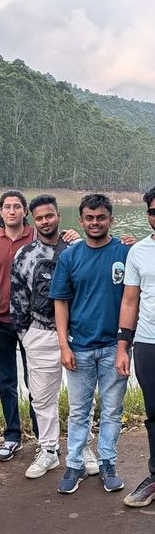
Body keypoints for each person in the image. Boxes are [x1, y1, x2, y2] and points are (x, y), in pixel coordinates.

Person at [0, 190, 78, 461]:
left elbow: (60, 245)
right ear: (1, 211)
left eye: (17, 207)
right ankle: (12, 434)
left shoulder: (36, 237)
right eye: (7, 207)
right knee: (6, 381)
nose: (12, 211)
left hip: (36, 325)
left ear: (25, 212)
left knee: (35, 383)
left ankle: (42, 438)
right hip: (2, 320)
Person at [11, 194, 99, 479]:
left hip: (78, 335)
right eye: (39, 218)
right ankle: (48, 449)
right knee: (41, 397)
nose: (45, 221)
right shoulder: (24, 255)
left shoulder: (78, 247)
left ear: (59, 215)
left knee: (82, 397)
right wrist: (26, 335)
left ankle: (83, 447)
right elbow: (18, 298)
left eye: (50, 215)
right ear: (32, 221)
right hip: (39, 334)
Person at [49, 194, 130, 494]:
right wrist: (63, 346)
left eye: (101, 218)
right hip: (79, 347)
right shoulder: (70, 257)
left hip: (114, 347)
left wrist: (125, 344)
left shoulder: (125, 252)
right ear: (81, 220)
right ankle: (74, 464)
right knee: (79, 410)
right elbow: (61, 303)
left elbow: (133, 299)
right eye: (89, 218)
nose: (95, 223)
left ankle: (108, 462)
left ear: (111, 219)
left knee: (112, 410)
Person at [117, 186, 155, 508]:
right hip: (147, 342)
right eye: (154, 211)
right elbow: (130, 301)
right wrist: (122, 345)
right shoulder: (138, 252)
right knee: (154, 412)